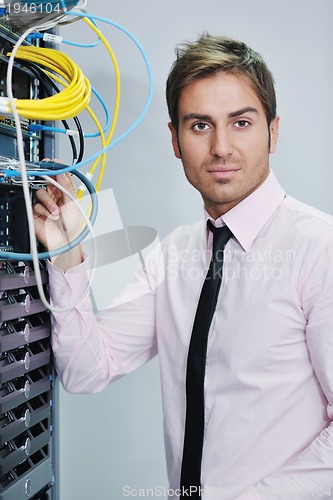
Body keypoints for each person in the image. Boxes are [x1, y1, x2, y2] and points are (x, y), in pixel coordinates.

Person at [33, 34, 333, 500]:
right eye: (199, 126)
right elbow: (87, 370)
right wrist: (68, 254)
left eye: (241, 122)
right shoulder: (173, 256)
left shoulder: (321, 249)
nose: (220, 147)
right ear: (174, 139)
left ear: (273, 131)